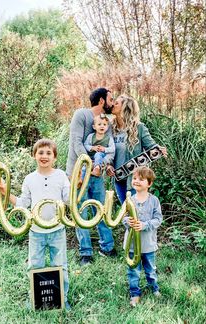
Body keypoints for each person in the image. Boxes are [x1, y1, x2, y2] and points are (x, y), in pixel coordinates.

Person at [0, 139, 71, 311]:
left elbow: (68, 200)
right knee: (35, 265)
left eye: (48, 153)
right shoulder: (30, 179)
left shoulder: (61, 175)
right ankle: (36, 299)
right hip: (36, 232)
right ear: (34, 155)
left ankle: (62, 298)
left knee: (60, 264)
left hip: (57, 230)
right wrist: (6, 193)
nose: (44, 156)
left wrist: (78, 185)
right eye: (40, 152)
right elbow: (23, 203)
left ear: (55, 157)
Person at [66, 87, 117, 266]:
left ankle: (107, 247)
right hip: (78, 173)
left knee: (101, 209)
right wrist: (88, 166)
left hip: (97, 175)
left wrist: (101, 166)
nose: (113, 102)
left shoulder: (106, 121)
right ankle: (85, 253)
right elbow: (76, 143)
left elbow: (110, 151)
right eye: (111, 99)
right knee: (81, 212)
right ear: (102, 100)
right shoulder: (81, 115)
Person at [106, 95, 167, 203]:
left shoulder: (139, 128)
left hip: (136, 179)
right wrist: (108, 165)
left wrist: (159, 149)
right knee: (125, 212)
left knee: (136, 211)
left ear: (124, 108)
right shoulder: (110, 128)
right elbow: (107, 151)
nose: (113, 105)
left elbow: (151, 146)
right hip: (118, 179)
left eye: (116, 103)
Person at [123, 166, 162, 307]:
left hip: (148, 244)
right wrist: (128, 221)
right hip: (132, 245)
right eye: (134, 178)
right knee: (133, 271)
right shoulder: (129, 200)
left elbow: (158, 219)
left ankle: (154, 288)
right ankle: (135, 293)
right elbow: (122, 217)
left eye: (141, 179)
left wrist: (144, 225)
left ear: (149, 183)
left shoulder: (154, 201)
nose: (136, 181)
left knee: (150, 269)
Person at [82, 114, 115, 178]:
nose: (102, 126)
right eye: (99, 124)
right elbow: (85, 145)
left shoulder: (109, 138)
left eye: (104, 124)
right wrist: (92, 148)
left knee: (98, 154)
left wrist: (104, 149)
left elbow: (113, 148)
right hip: (92, 158)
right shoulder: (91, 136)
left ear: (107, 127)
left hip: (103, 158)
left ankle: (97, 169)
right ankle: (81, 180)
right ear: (94, 127)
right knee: (84, 168)